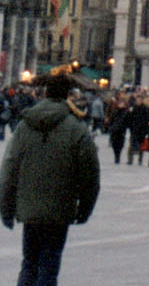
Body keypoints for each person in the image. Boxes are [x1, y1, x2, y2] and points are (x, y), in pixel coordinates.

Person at [0, 71, 100, 286]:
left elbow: (9, 168)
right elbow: (90, 174)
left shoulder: (25, 126)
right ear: (67, 96)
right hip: (60, 208)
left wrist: (6, 207)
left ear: (45, 93)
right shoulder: (77, 128)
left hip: (29, 207)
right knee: (49, 265)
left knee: (29, 263)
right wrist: (84, 209)